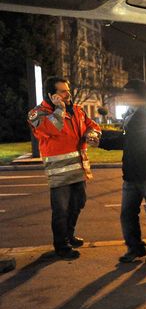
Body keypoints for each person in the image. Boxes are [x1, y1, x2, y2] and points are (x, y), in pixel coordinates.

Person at [98, 79, 146, 264]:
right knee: (127, 214)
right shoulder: (130, 116)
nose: (125, 96)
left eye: (128, 92)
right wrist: (101, 142)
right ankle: (135, 247)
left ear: (138, 95)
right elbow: (127, 141)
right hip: (131, 176)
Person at [27, 76, 102, 259]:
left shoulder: (77, 110)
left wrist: (91, 134)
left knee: (78, 204)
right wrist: (60, 109)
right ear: (51, 95)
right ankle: (61, 245)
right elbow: (53, 128)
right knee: (61, 210)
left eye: (67, 90)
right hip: (59, 174)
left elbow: (93, 126)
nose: (67, 94)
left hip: (79, 169)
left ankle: (69, 235)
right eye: (62, 91)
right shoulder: (36, 114)